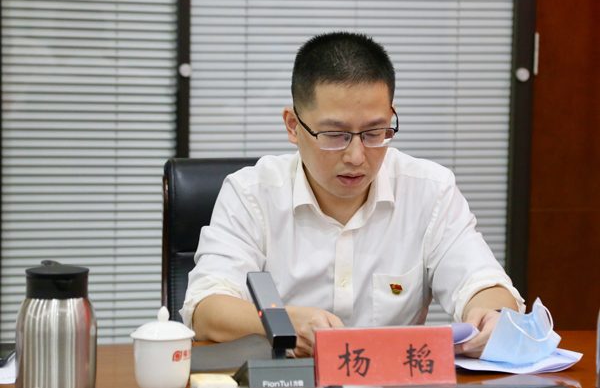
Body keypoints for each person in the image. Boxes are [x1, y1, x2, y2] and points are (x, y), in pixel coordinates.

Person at [180, 31, 525, 358]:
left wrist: (492, 316)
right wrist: (281, 324)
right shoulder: (251, 194)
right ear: (293, 126)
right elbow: (205, 308)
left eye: (375, 132)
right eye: (335, 135)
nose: (357, 157)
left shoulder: (429, 190)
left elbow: (482, 282)